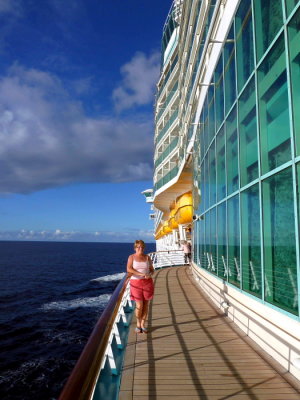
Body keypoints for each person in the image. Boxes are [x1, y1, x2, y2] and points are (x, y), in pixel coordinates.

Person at [127, 240, 155, 334]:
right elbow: (129, 269)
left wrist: (149, 274)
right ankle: (138, 324)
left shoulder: (147, 257)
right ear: (135, 248)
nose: (140, 248)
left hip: (147, 283)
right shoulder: (131, 257)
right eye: (138, 247)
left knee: (146, 305)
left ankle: (143, 324)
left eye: (142, 247)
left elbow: (152, 269)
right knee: (139, 305)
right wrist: (141, 274)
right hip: (136, 283)